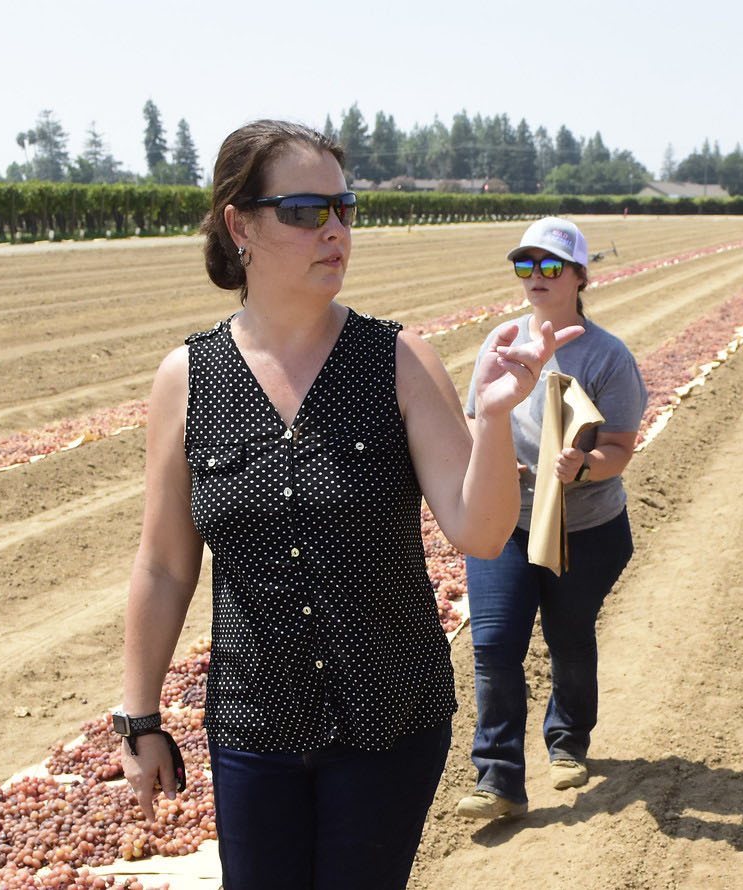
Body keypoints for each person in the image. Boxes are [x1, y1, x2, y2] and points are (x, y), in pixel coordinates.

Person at [115, 120, 580, 889]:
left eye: (344, 208)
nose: (335, 230)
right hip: (255, 721)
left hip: (390, 717)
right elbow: (165, 564)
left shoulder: (396, 360)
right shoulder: (189, 378)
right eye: (305, 211)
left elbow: (481, 528)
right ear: (241, 226)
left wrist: (494, 416)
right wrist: (139, 719)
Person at [453, 217, 646, 821]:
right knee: (494, 643)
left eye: (551, 266)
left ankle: (567, 743)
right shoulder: (500, 341)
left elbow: (619, 447)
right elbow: (474, 418)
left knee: (567, 636)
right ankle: (500, 779)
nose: (536, 277)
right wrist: (492, 460)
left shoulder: (607, 355)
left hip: (583, 527)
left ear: (580, 276)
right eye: (525, 265)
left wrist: (581, 468)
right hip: (507, 521)